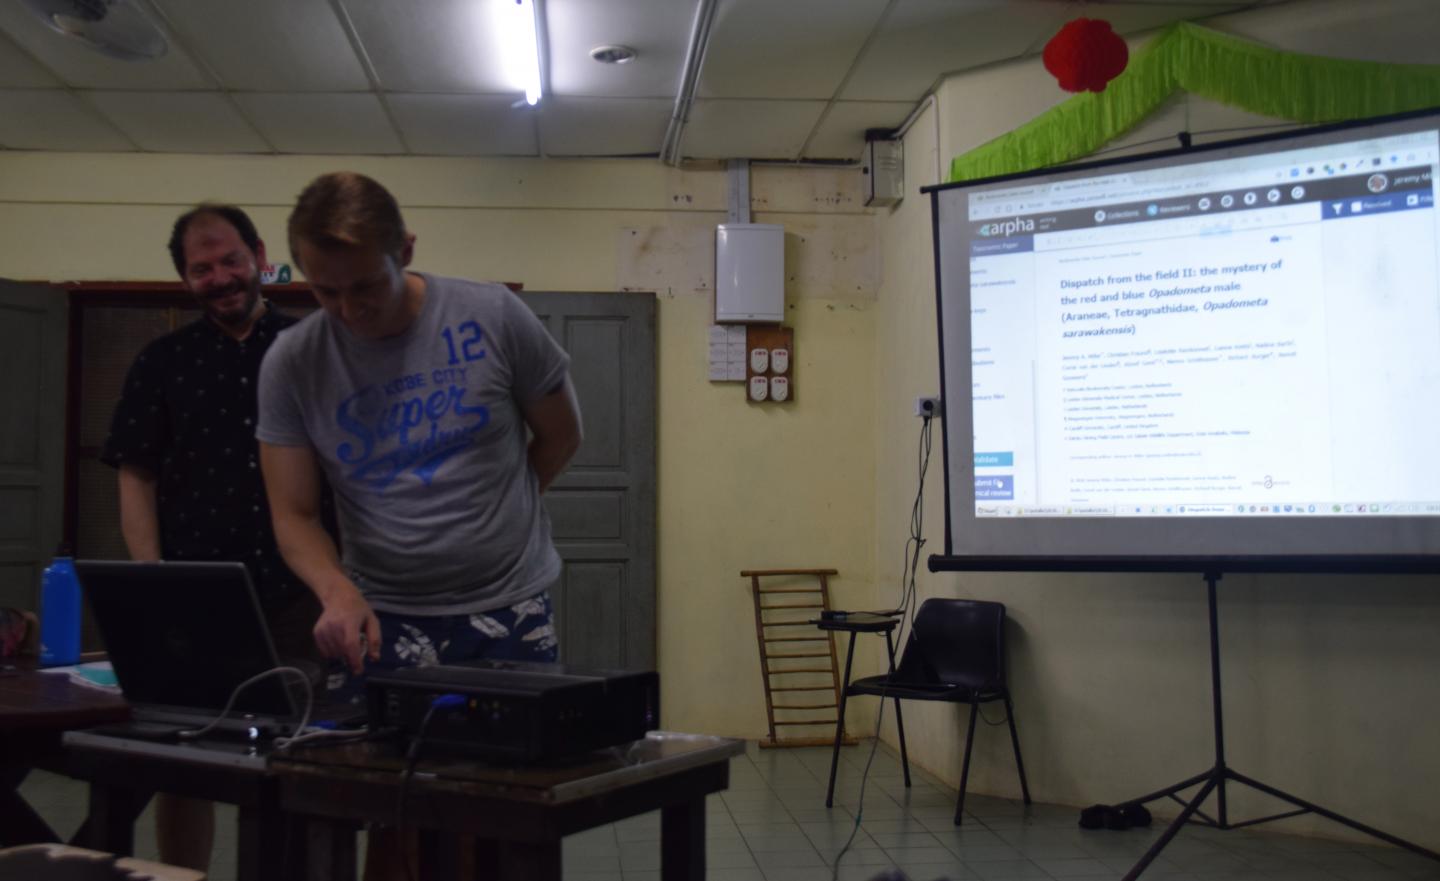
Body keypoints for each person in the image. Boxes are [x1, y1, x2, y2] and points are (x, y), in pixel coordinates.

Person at [255, 172, 582, 878]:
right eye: (324, 291)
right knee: (385, 813)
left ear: (405, 248)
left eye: (364, 286)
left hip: (510, 604)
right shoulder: (293, 362)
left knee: (511, 813)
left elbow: (559, 436)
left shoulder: (493, 316)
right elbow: (294, 512)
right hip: (383, 614)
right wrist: (335, 590)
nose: (347, 309)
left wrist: (503, 512)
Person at [100, 204, 324, 872]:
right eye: (201, 268)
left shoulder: (312, 349)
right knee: (184, 762)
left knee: (297, 764)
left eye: (230, 259)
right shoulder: (160, 361)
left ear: (259, 255)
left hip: (299, 593)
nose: (220, 277)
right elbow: (135, 473)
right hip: (194, 600)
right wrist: (152, 579)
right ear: (184, 279)